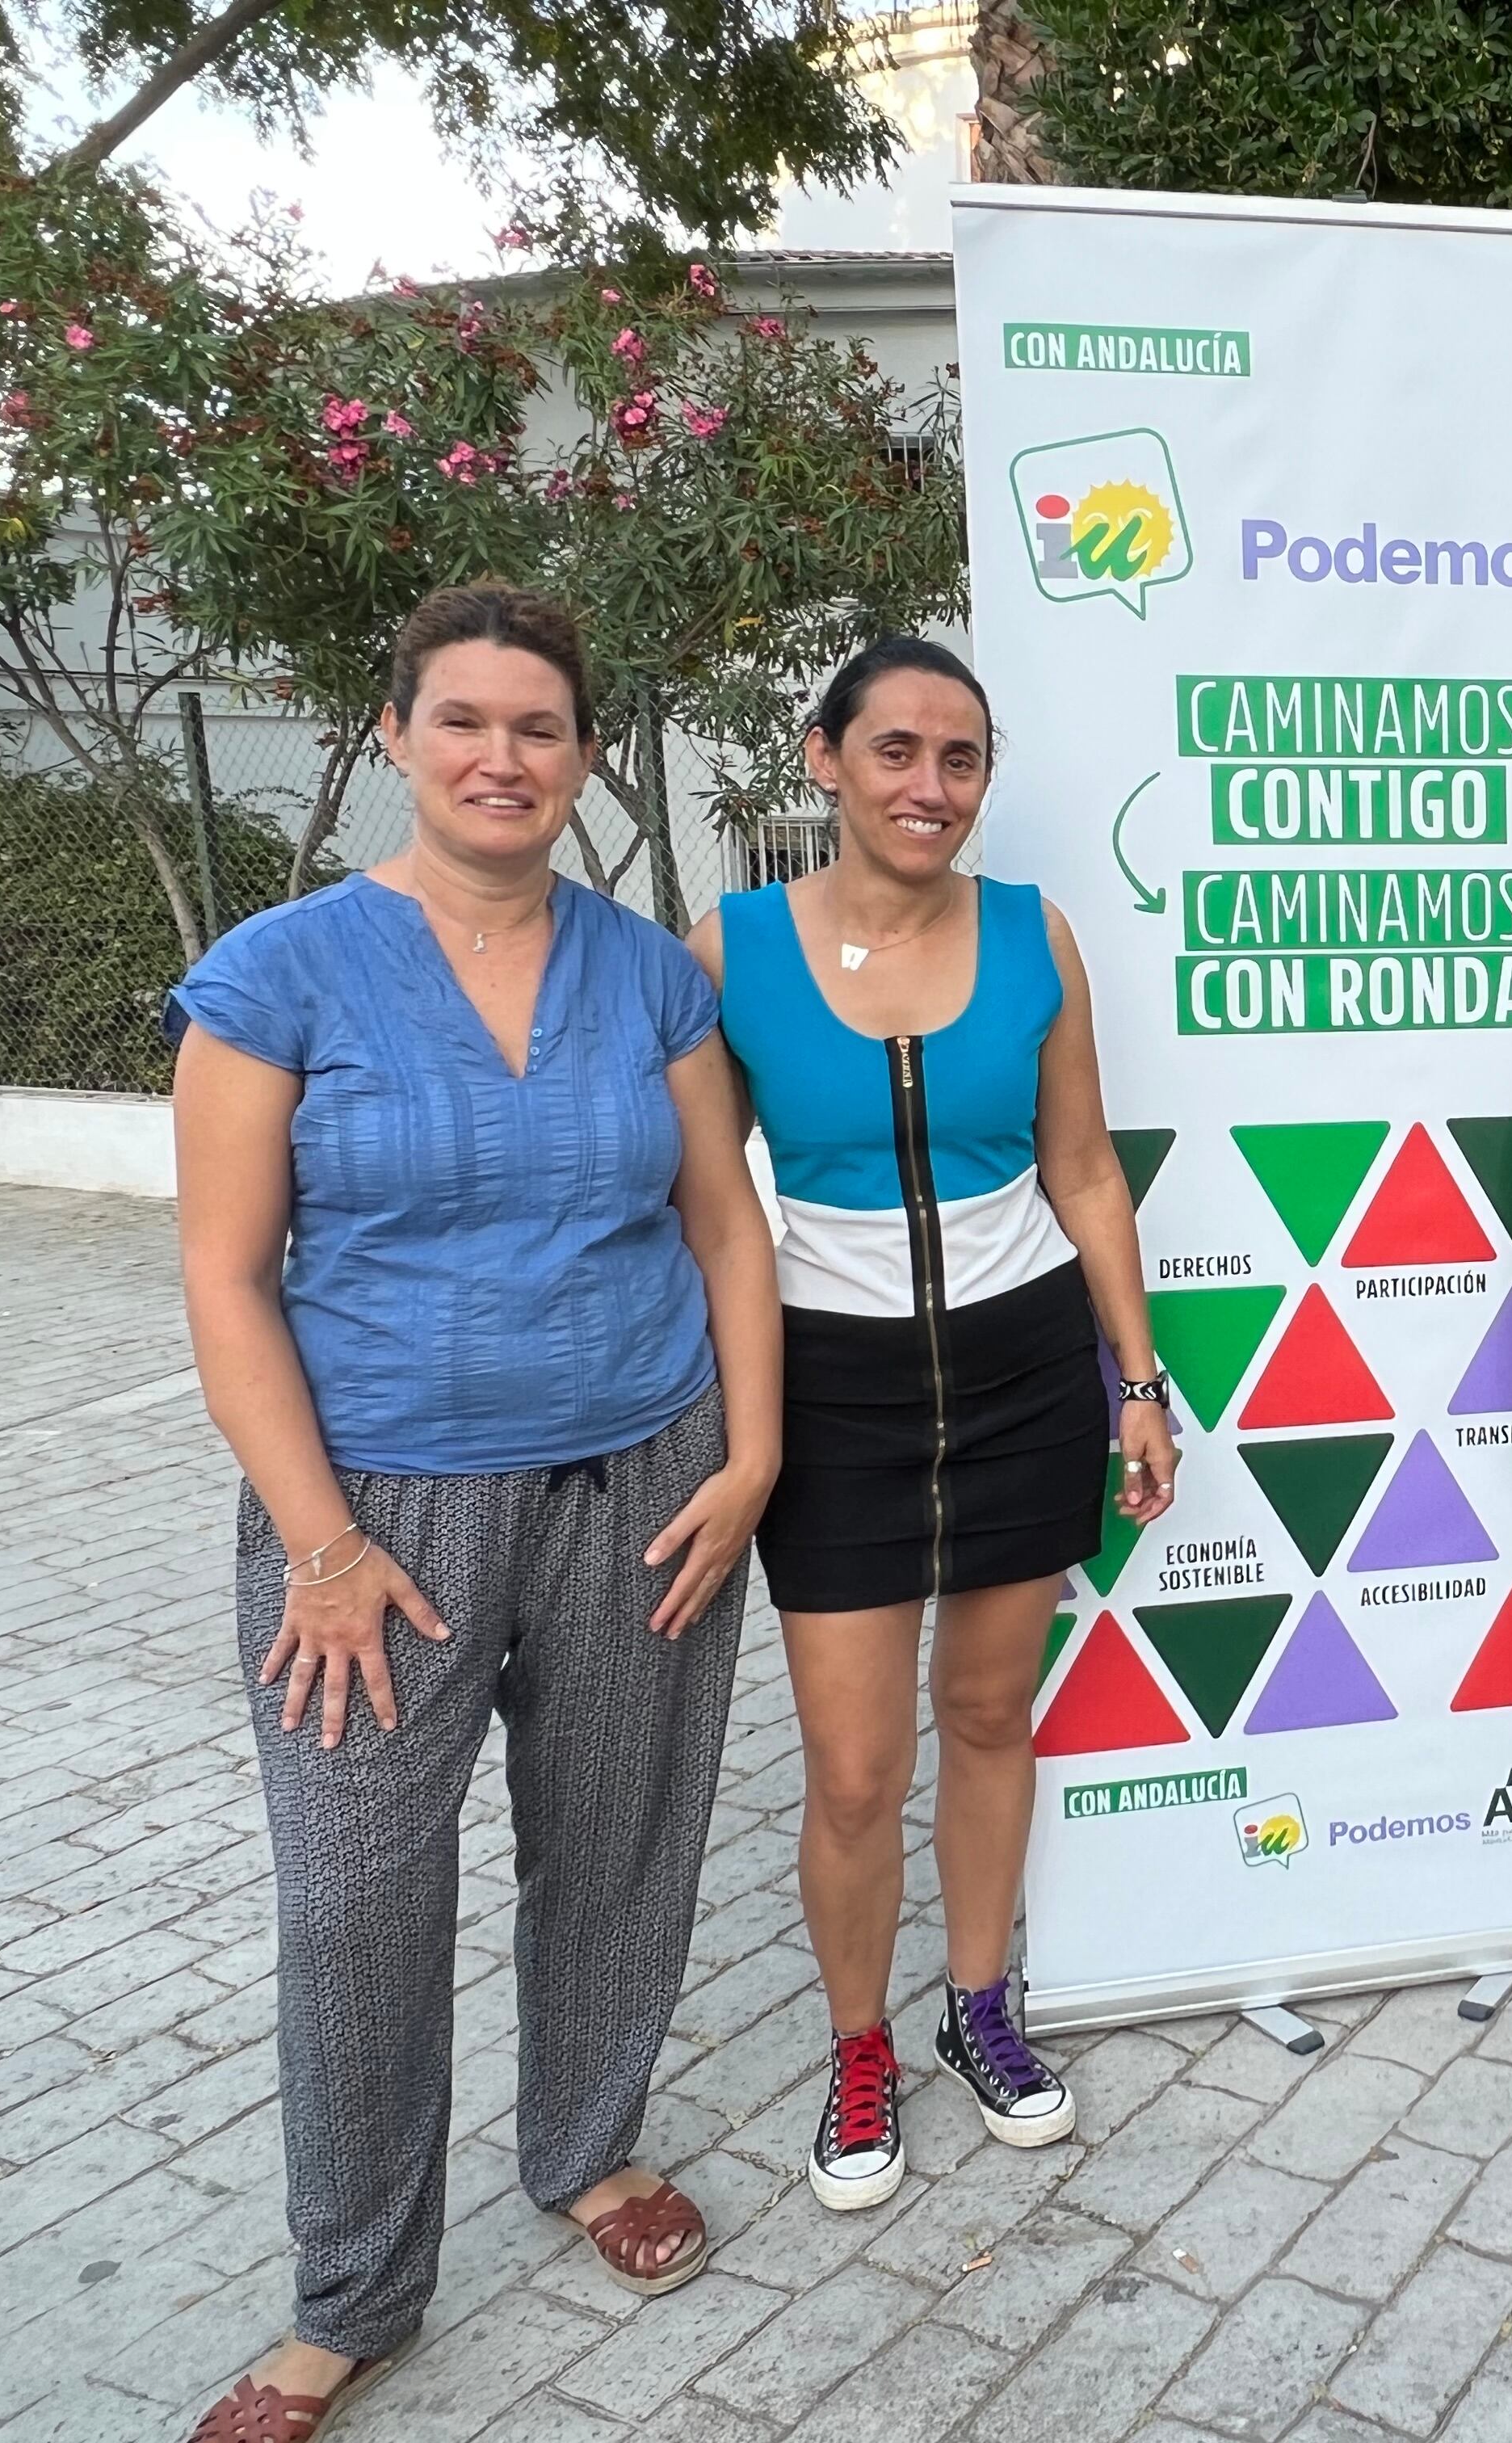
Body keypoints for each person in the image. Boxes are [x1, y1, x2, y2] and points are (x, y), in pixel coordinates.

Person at [172, 585, 782, 2441]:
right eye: (464, 721)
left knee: (615, 1840)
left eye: (539, 727)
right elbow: (224, 1280)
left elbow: (720, 1222)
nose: (502, 757)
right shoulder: (279, 972)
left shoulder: (651, 973)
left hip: (649, 1480)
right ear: (394, 738)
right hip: (373, 1523)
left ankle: (587, 2150)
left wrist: (749, 1457)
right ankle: (351, 2295)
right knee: (356, 1898)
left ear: (585, 754)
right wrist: (322, 1544)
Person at [693, 635, 1177, 2209]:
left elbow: (1087, 1170)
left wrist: (1142, 1383)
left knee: (987, 1715)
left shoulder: (1038, 936)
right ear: (823, 758)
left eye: (960, 759)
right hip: (832, 1383)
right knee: (850, 1769)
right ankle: (858, 2046)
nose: (930, 786)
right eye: (895, 751)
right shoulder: (732, 949)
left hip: (1028, 1367)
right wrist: (749, 1435)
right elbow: (716, 1217)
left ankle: (980, 2006)